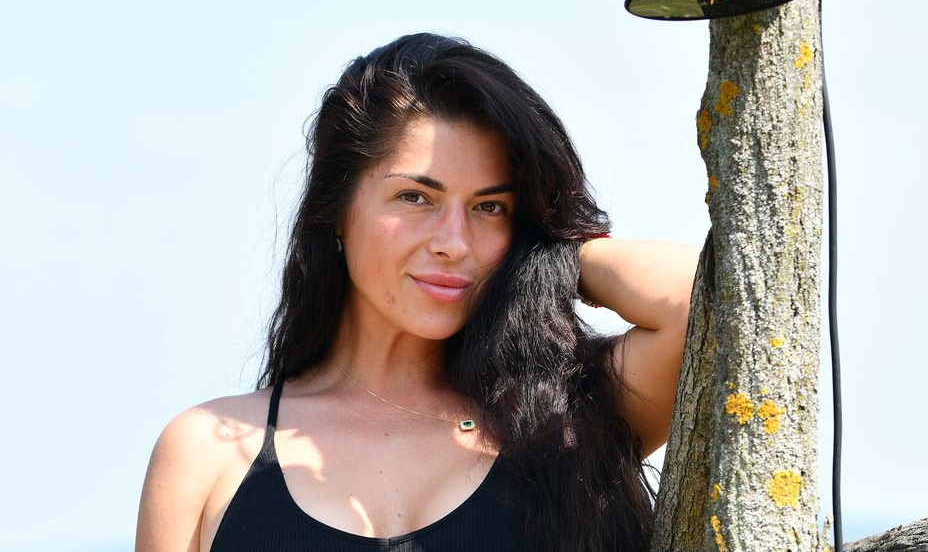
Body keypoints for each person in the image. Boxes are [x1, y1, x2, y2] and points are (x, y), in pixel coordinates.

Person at [136, 33, 698, 552]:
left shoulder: (572, 417)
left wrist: (546, 253)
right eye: (415, 198)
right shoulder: (205, 454)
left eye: (489, 207)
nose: (454, 243)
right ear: (336, 210)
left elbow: (703, 301)